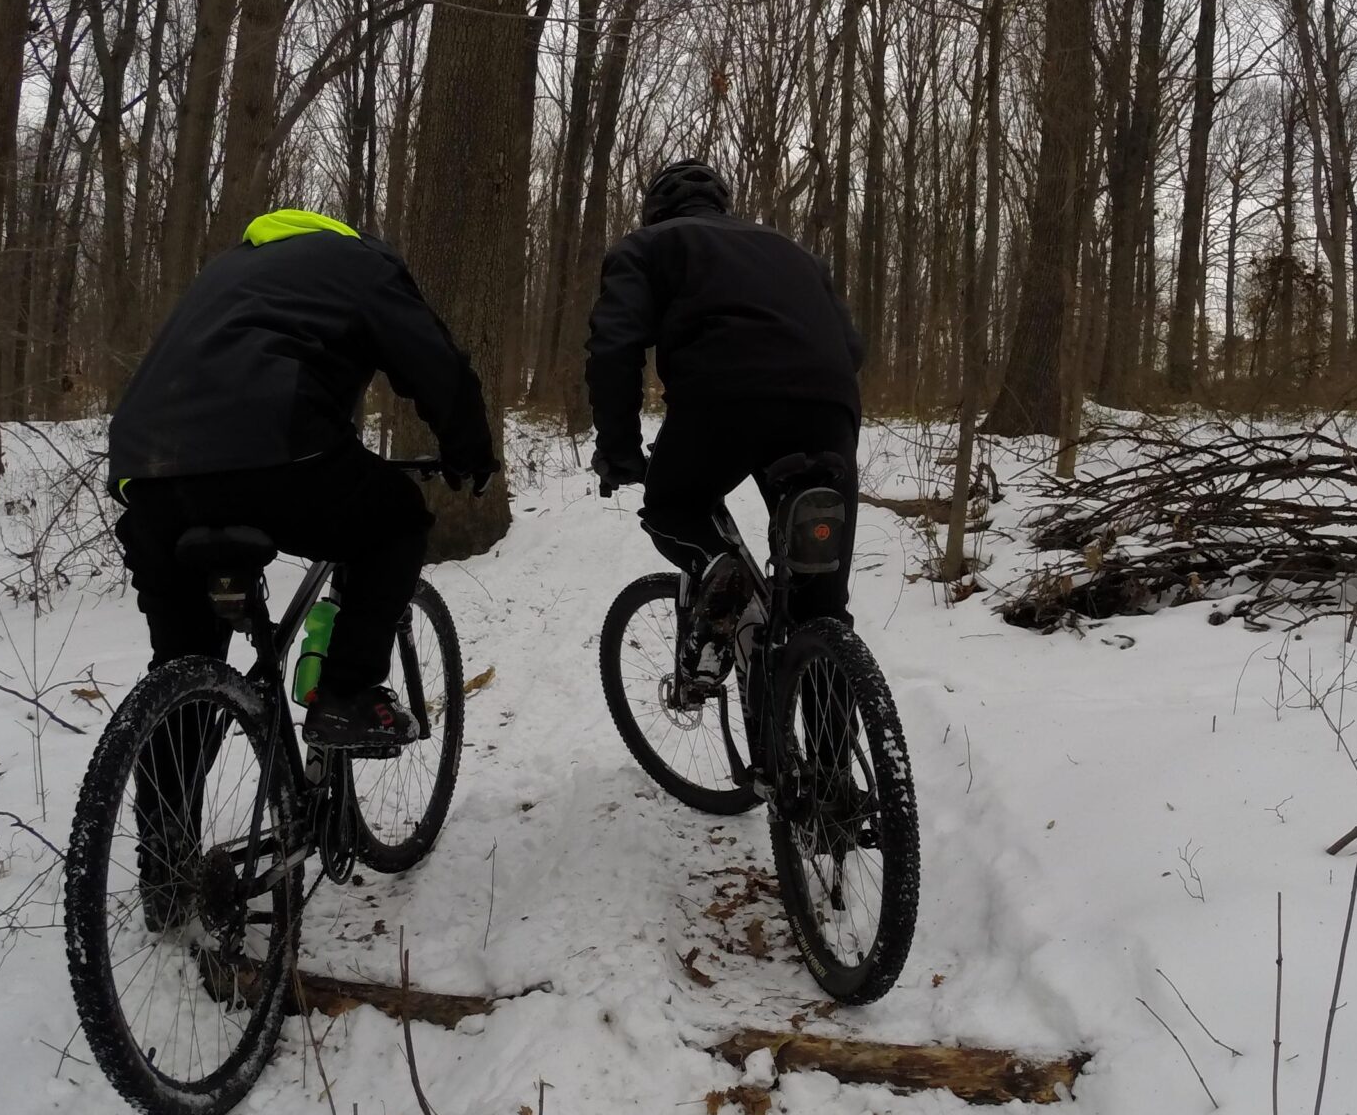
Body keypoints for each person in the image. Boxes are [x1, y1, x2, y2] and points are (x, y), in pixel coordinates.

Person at [107, 209, 496, 750]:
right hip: (272, 450)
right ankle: (346, 695)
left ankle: (165, 835)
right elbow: (435, 365)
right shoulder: (363, 262)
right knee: (398, 520)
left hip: (146, 471)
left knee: (183, 673)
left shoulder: (226, 271)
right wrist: (470, 453)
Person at [585, 160, 864, 671]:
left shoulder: (645, 246)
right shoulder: (798, 254)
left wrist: (620, 450)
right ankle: (828, 744)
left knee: (672, 507)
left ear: (655, 211)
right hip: (829, 406)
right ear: (723, 206)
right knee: (820, 605)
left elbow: (613, 348)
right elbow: (853, 347)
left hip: (722, 399)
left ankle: (718, 571)